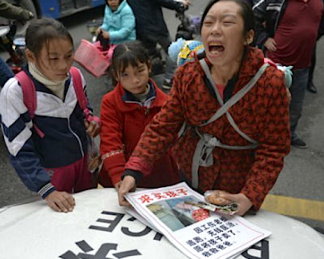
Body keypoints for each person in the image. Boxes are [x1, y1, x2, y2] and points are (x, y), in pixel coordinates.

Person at [117, 0, 291, 217]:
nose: (215, 30)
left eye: (227, 23)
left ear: (248, 37)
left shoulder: (269, 82)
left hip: (236, 192)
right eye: (208, 23)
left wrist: (249, 196)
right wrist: (133, 170)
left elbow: (273, 148)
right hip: (189, 181)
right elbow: (163, 127)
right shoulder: (188, 75)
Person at [0, 18, 101, 213]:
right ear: (31, 55)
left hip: (86, 166)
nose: (63, 66)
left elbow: (85, 110)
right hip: (53, 177)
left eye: (69, 56)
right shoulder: (17, 91)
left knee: (91, 214)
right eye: (53, 59)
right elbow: (19, 149)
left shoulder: (76, 76)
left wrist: (92, 121)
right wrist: (47, 190)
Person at [253, 0, 324, 149]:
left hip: (302, 65)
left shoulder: (323, 2)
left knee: (295, 106)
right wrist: (263, 38)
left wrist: (312, 35)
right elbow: (253, 16)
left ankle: (289, 134)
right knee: (267, 103)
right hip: (275, 64)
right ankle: (260, 136)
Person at [98, 41, 180, 189]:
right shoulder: (111, 103)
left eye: (139, 71)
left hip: (161, 173)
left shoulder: (166, 102)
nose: (135, 80)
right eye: (125, 75)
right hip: (123, 173)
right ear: (116, 75)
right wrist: (118, 178)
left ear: (149, 67)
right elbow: (110, 142)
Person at [127, 0, 189, 89]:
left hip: (139, 27)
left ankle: (143, 80)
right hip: (154, 26)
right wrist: (179, 5)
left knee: (145, 54)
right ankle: (169, 79)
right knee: (172, 50)